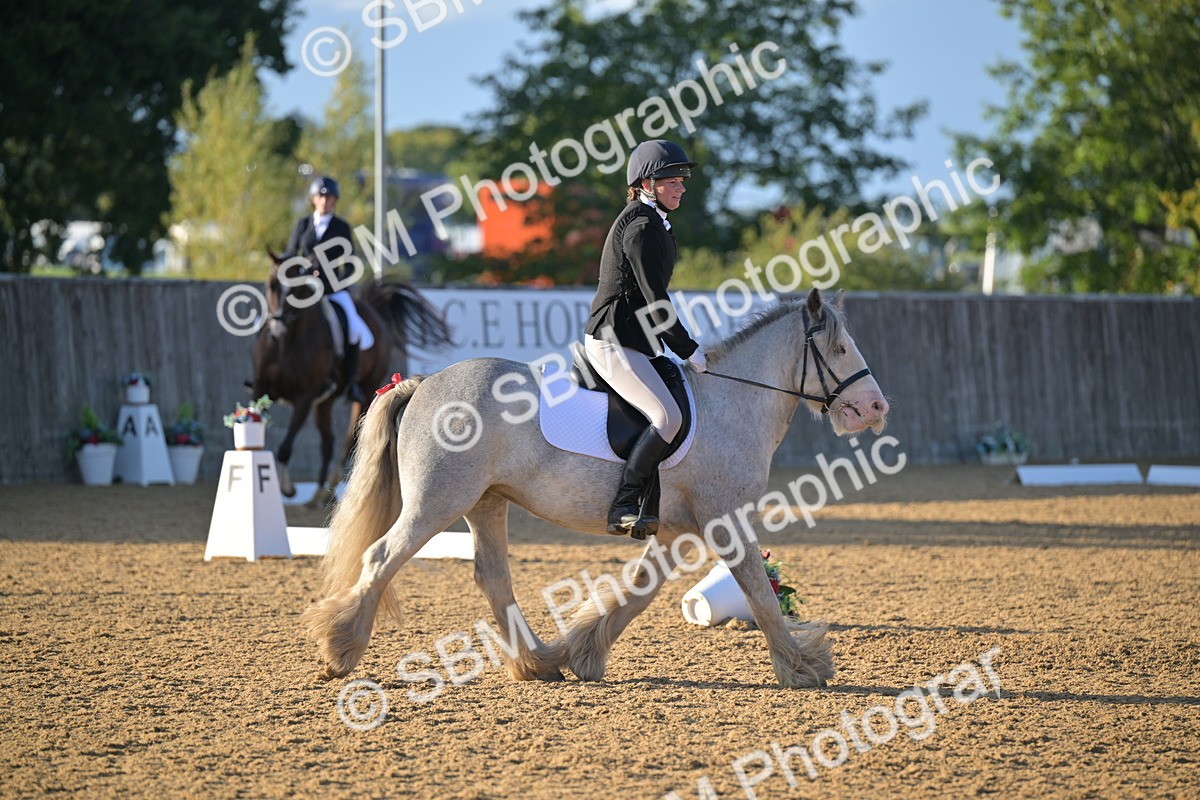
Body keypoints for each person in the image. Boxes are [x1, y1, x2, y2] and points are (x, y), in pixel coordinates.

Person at [583, 139, 708, 537]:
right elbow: (655, 300)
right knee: (666, 417)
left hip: (632, 339)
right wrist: (687, 348)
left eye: (682, 180)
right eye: (673, 180)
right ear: (646, 184)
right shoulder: (640, 226)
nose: (681, 188)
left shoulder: (653, 222)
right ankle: (625, 502)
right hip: (612, 338)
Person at [281, 176, 373, 404]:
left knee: (353, 328)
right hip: (304, 290)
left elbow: (350, 263)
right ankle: (269, 372)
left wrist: (333, 282)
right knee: (277, 318)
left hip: (333, 290)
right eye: (321, 197)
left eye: (329, 198)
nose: (325, 201)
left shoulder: (342, 227)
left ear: (335, 201)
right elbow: (291, 254)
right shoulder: (302, 225)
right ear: (313, 199)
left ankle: (351, 381)